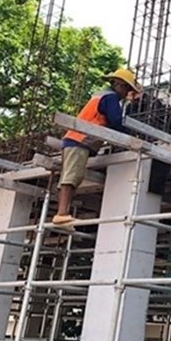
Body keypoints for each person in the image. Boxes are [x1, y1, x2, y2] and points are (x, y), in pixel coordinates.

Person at [53, 68, 141, 229]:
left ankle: (63, 215)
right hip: (79, 140)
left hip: (74, 139)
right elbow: (116, 121)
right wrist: (131, 137)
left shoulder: (102, 95)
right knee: (72, 176)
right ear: (119, 84)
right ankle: (62, 215)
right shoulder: (110, 97)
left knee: (71, 176)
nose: (127, 93)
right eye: (127, 89)